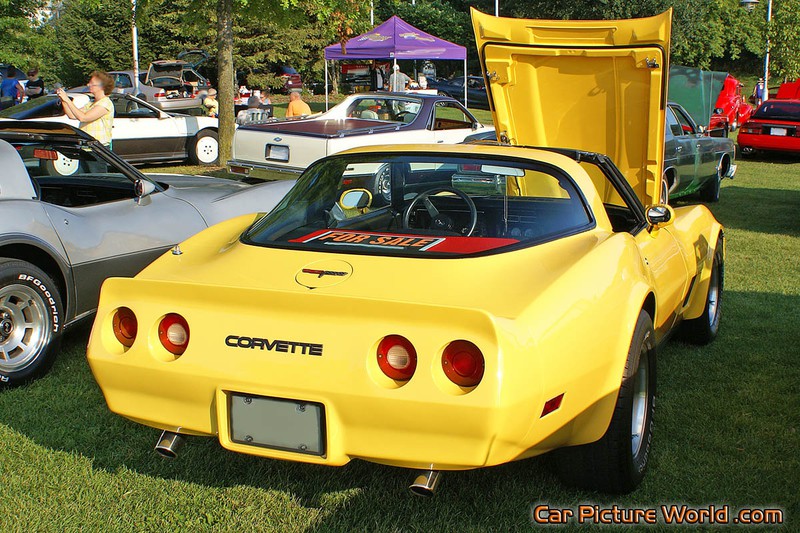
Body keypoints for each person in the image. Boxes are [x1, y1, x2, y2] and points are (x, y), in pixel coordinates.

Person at [56, 70, 115, 147]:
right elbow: (72, 115)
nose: (88, 84)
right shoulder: (91, 103)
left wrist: (67, 99)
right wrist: (63, 100)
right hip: (86, 145)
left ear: (102, 87)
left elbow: (83, 117)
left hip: (99, 147)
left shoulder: (105, 103)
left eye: (92, 83)